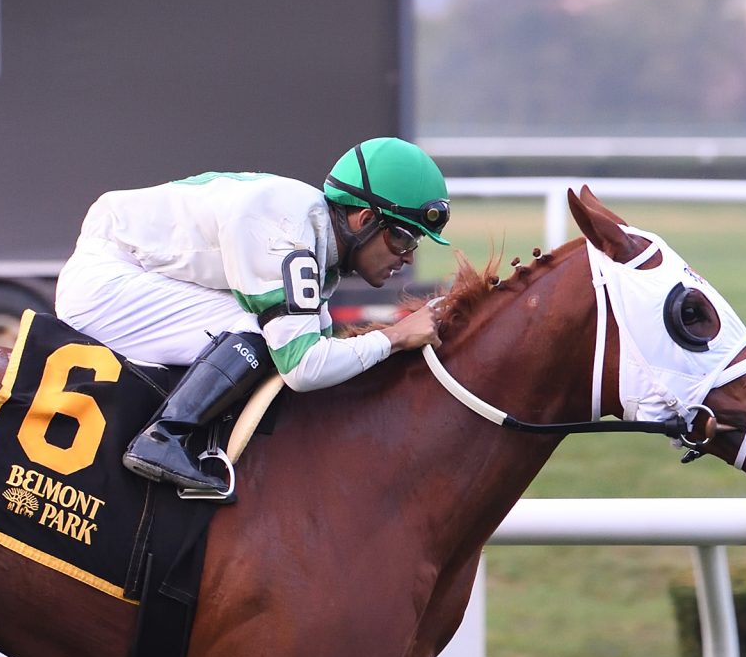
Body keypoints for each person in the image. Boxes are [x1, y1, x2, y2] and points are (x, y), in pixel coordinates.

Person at [53, 136, 451, 496]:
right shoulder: (284, 232)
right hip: (104, 283)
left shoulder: (314, 232)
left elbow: (324, 353)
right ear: (364, 220)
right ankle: (163, 437)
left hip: (129, 271)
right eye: (403, 236)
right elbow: (305, 368)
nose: (410, 256)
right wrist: (396, 336)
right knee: (255, 326)